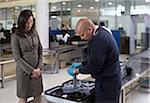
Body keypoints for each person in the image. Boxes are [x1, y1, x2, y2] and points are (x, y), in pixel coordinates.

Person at [68, 18, 121, 103]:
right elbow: (96, 57)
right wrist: (82, 64)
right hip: (110, 80)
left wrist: (77, 70)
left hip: (107, 84)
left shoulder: (99, 40)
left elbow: (95, 66)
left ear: (90, 29)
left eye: (83, 35)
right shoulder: (101, 32)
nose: (82, 38)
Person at [11, 10, 43, 103]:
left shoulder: (35, 33)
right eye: (27, 22)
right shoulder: (15, 36)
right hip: (24, 72)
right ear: (22, 21)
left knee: (38, 94)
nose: (29, 24)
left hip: (37, 71)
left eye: (31, 21)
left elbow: (40, 51)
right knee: (23, 96)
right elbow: (17, 58)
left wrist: (39, 68)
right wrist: (31, 71)